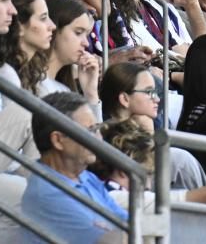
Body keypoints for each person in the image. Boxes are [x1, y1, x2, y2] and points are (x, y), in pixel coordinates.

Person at [19, 91, 127, 241]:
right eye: (90, 130)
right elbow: (108, 241)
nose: (98, 139)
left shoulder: (85, 176)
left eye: (97, 129)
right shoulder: (48, 195)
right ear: (58, 140)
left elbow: (127, 221)